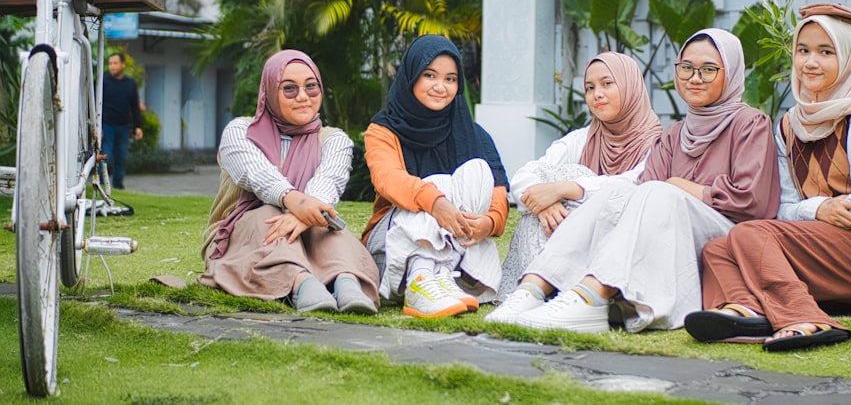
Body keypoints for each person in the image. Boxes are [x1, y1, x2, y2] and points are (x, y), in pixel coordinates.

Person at [486, 29, 780, 332]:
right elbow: (637, 192)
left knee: (655, 192)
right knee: (619, 192)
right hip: (667, 236)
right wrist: (665, 189)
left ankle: (589, 298)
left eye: (708, 70)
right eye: (686, 68)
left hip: (725, 237)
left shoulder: (750, 124)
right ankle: (532, 290)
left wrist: (677, 186)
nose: (694, 78)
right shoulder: (674, 135)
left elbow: (750, 201)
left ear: (730, 74)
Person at [684, 3, 851, 352]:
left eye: (826, 52)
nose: (810, 62)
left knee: (748, 233)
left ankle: (804, 319)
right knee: (718, 247)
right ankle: (746, 311)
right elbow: (783, 208)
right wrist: (819, 209)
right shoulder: (789, 126)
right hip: (824, 245)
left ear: (850, 58)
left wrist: (815, 210)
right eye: (803, 51)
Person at [199, 50, 379, 315]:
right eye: (290, 89)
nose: (303, 97)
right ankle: (302, 285)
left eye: (311, 87)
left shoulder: (333, 140)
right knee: (268, 214)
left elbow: (328, 185)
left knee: (328, 229)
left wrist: (304, 216)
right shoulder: (241, 132)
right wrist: (301, 206)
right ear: (270, 91)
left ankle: (347, 283)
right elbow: (259, 177)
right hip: (242, 231)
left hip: (310, 234)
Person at [361, 35, 509, 318]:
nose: (441, 87)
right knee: (438, 183)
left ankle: (440, 277)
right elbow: (388, 180)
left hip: (458, 245)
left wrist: (488, 224)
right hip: (394, 243)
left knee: (477, 170)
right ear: (412, 75)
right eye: (430, 75)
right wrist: (435, 202)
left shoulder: (475, 135)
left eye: (451, 79)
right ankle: (420, 280)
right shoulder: (383, 130)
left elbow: (498, 195)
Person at [496, 52, 662, 300]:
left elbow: (633, 184)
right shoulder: (582, 139)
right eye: (590, 87)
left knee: (571, 175)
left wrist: (568, 189)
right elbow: (524, 176)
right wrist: (545, 203)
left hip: (620, 243)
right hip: (562, 233)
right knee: (546, 179)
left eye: (607, 84)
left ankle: (541, 291)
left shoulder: (657, 144)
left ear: (631, 86)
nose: (597, 94)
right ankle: (541, 288)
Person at [102, 52, 143, 190]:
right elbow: (94, 104)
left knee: (121, 157)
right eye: (110, 63)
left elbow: (134, 106)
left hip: (123, 127)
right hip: (106, 126)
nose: (112, 66)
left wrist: (138, 126)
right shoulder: (103, 82)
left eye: (115, 63)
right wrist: (97, 126)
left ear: (122, 65)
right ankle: (102, 184)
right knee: (105, 157)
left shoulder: (130, 84)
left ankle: (118, 185)